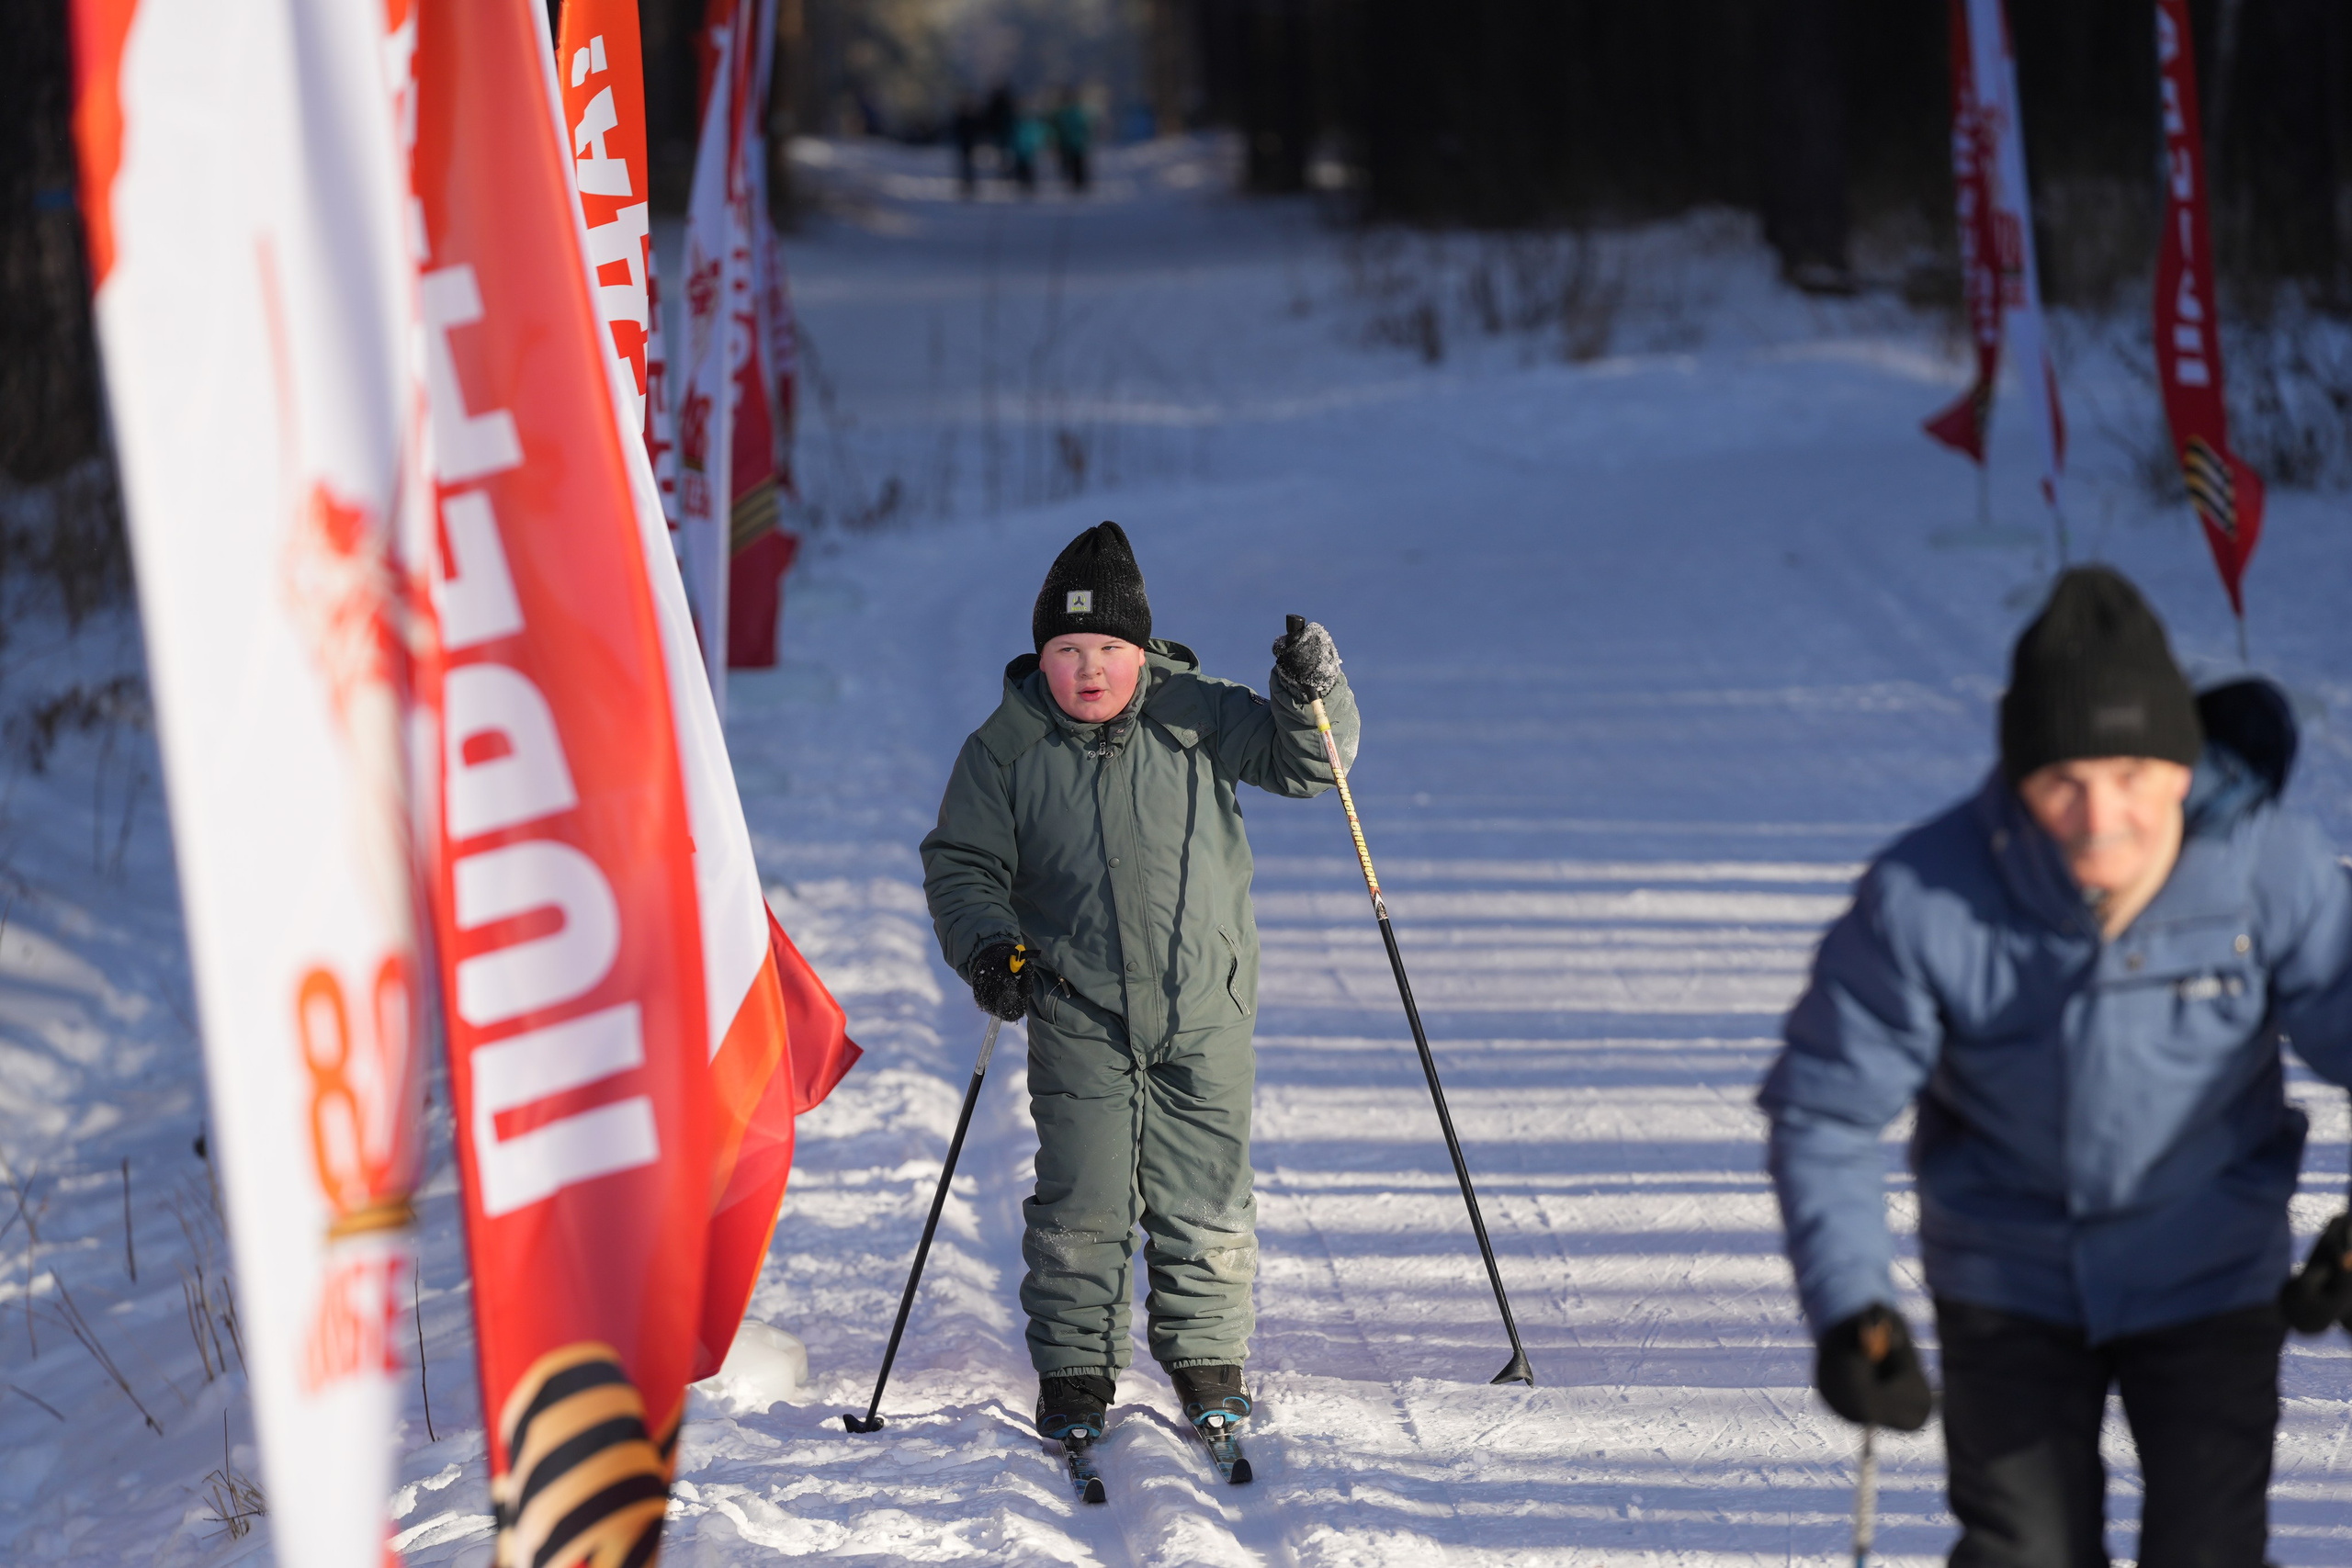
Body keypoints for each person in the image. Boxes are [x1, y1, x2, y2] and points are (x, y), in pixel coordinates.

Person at [1759, 565, 2352, 1567]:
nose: (2098, 815)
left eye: (2131, 775)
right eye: (2061, 781)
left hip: (2209, 1270)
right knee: (2023, 1552)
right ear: (2017, 777)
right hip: (2009, 1277)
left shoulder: (2266, 868)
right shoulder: (1926, 895)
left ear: (2180, 763)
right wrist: (1850, 1304)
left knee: (2207, 1549)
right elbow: (1826, 1111)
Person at [920, 521, 1358, 1446]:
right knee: (1083, 1194)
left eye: (1108, 650)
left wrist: (1307, 691)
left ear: (1141, 650)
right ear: (1040, 656)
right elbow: (963, 864)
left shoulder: (1195, 710)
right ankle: (1076, 1369)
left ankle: (1206, 1355)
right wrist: (990, 946)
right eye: (1067, 651)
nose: (1088, 671)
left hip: (1205, 1001)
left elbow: (1310, 763)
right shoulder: (1004, 750)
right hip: (1076, 1009)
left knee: (1203, 1189)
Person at [1052, 89, 1091, 194]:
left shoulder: (1064, 113)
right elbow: (1085, 126)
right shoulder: (1075, 112)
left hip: (1070, 143)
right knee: (1075, 164)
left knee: (1073, 164)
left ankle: (1077, 183)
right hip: (1073, 143)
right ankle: (1077, 183)